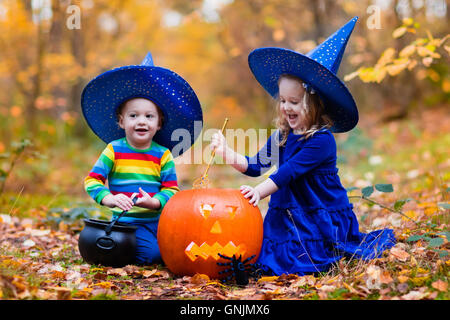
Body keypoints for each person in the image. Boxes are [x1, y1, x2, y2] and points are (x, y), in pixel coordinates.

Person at [210, 17, 396, 276]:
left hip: (317, 214)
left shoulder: (322, 140)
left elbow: (289, 172)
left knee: (302, 259)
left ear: (315, 104)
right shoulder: (282, 135)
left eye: (294, 102)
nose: (286, 107)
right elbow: (255, 166)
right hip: (287, 214)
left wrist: (259, 193)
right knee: (269, 255)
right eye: (283, 100)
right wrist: (226, 152)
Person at [81, 52, 203, 265]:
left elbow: (171, 190)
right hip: (127, 223)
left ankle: (145, 248)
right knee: (153, 256)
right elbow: (92, 180)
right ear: (121, 121)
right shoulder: (114, 150)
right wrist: (109, 198)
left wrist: (154, 202)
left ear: (159, 124)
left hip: (160, 221)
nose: (142, 121)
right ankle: (123, 249)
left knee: (184, 249)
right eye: (133, 115)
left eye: (149, 116)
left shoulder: (162, 154)